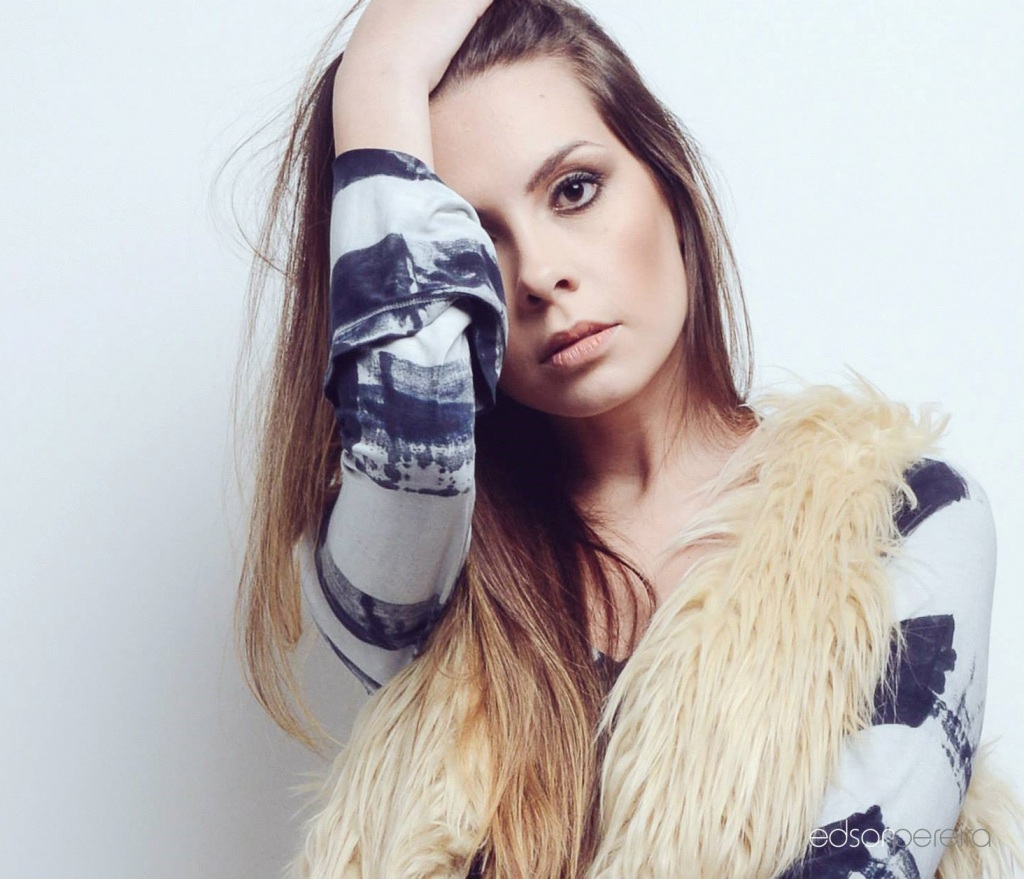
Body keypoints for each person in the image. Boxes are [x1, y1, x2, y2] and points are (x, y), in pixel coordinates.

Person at [235, 1, 1024, 876]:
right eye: (472, 239)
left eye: (574, 190)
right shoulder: (431, 579)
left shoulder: (906, 519)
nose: (539, 273)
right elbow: (410, 442)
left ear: (669, 188)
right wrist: (377, 81)